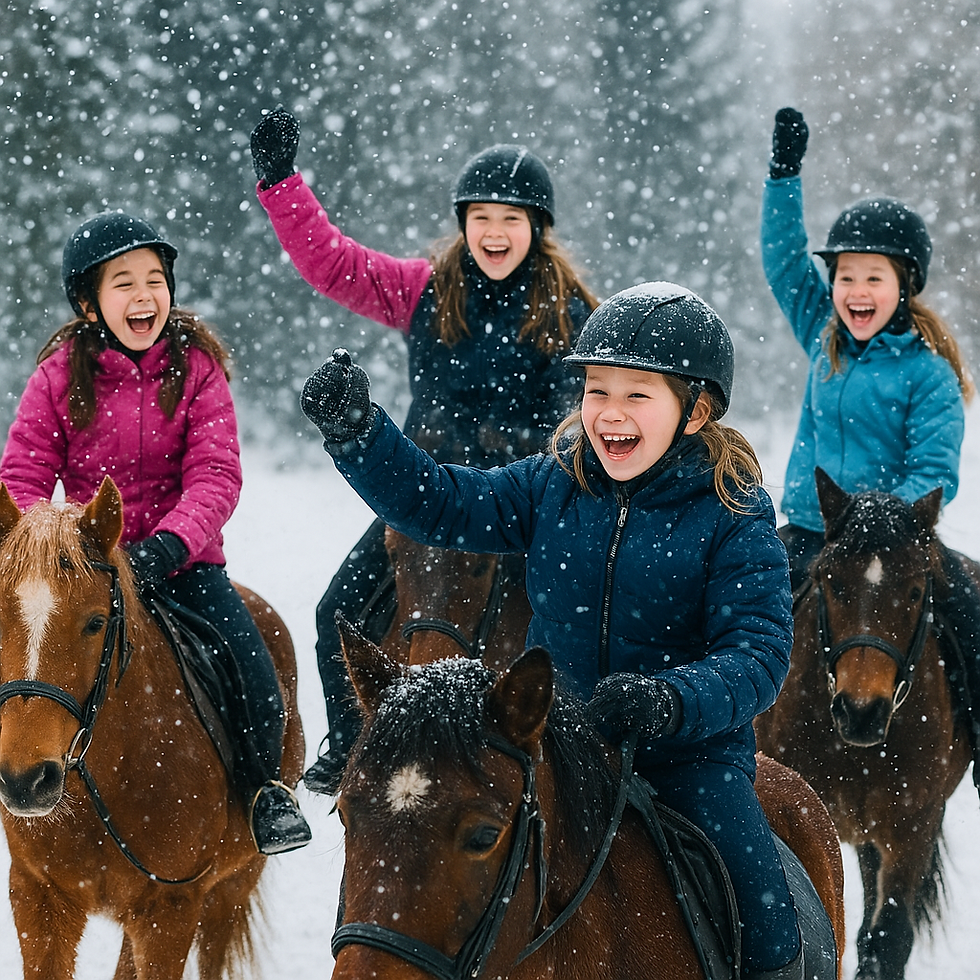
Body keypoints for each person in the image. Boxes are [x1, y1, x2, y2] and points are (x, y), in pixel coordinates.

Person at [300, 282, 805, 980]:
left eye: (638, 394)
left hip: (687, 755)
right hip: (556, 744)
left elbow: (758, 653)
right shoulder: (552, 484)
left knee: (766, 920)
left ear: (696, 412)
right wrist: (361, 436)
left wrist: (669, 700)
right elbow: (443, 503)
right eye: (598, 391)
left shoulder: (732, 515)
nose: (611, 412)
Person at [249, 106, 598, 793]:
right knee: (338, 613)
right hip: (424, 500)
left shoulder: (572, 313)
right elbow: (333, 264)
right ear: (463, 223)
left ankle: (570, 760)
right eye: (481, 217)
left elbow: (578, 420)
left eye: (511, 218)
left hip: (520, 508)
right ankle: (353, 744)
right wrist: (281, 183)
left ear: (538, 228)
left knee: (574, 630)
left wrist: (518, 452)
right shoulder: (425, 290)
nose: (494, 232)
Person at [0, 211, 311, 855]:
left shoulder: (198, 370)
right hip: (83, 569)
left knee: (251, 661)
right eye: (124, 283)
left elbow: (216, 474)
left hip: (183, 564)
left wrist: (169, 545)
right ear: (90, 305)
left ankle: (265, 792)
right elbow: (22, 474)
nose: (144, 296)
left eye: (154, 280)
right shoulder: (57, 376)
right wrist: (50, 546)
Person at [762, 106, 980, 792]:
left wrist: (882, 518)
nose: (856, 291)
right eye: (846, 276)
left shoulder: (928, 374)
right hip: (811, 531)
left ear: (904, 286)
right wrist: (783, 176)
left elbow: (934, 470)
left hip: (901, 541)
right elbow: (782, 260)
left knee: (972, 616)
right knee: (732, 607)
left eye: (873, 277)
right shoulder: (822, 335)